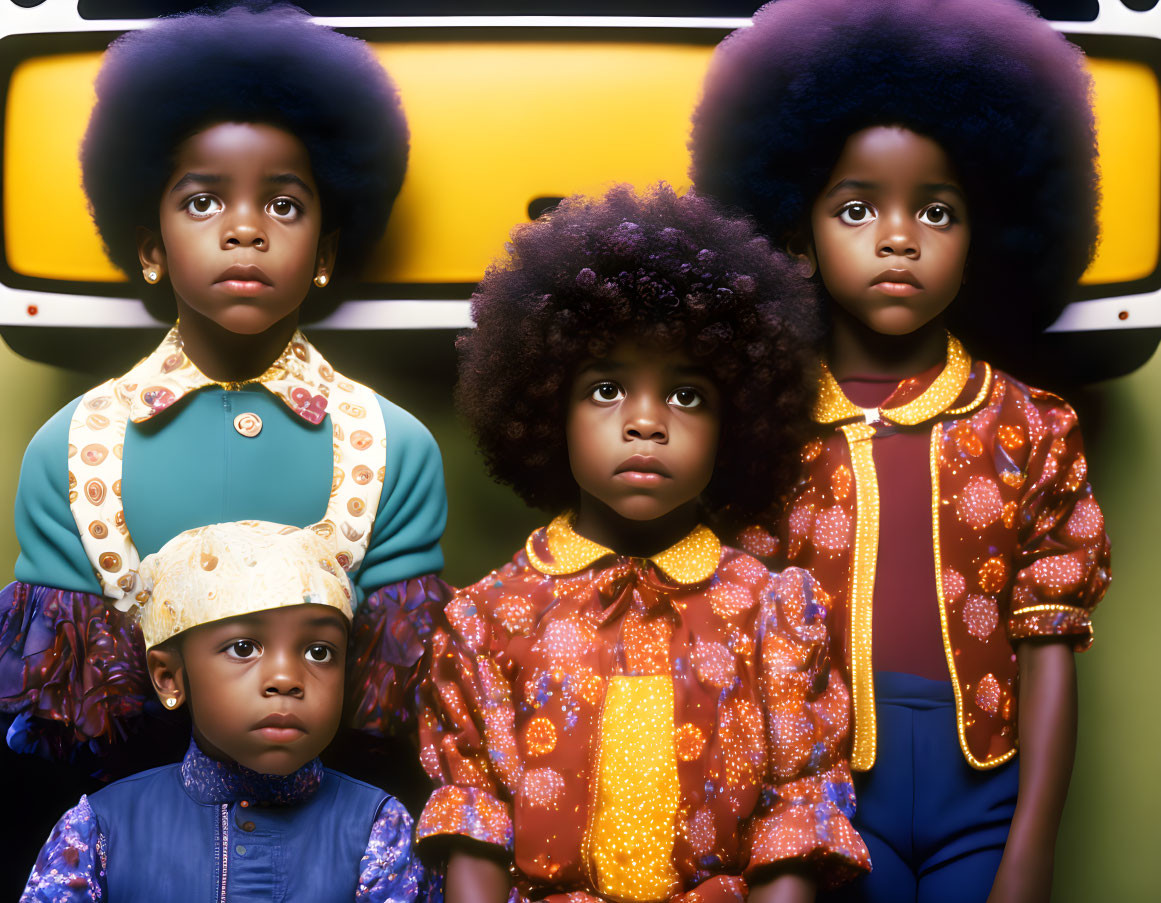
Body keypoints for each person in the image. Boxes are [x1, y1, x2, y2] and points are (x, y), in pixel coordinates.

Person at [690, 2, 1111, 901]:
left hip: (988, 803)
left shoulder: (1032, 427)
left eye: (935, 209)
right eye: (855, 208)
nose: (896, 235)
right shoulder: (763, 430)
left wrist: (1031, 850)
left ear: (979, 237)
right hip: (830, 803)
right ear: (796, 239)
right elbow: (741, 657)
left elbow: (1048, 651)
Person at [0, 3, 448, 777]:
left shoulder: (397, 448)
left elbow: (390, 726)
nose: (246, 230)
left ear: (323, 252)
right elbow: (62, 742)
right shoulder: (71, 450)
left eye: (283, 203)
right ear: (150, 246)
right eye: (203, 201)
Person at [416, 184, 870, 903]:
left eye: (686, 395)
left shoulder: (773, 613)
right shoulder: (485, 620)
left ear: (737, 421)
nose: (645, 423)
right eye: (605, 390)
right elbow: (473, 817)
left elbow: (797, 817)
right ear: (546, 406)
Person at [20, 520, 424, 901]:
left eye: (319, 652)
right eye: (243, 648)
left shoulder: (379, 828)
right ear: (168, 677)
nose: (286, 678)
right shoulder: (99, 829)